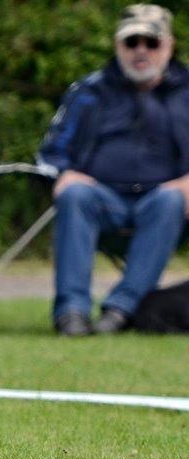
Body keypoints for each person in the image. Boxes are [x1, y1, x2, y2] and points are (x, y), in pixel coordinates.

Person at [38, 4, 189, 336]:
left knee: (170, 201)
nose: (141, 51)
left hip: (164, 203)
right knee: (74, 193)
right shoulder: (89, 91)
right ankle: (71, 313)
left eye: (151, 42)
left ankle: (121, 310)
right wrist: (64, 173)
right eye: (131, 41)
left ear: (169, 45)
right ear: (117, 45)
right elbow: (51, 153)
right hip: (101, 198)